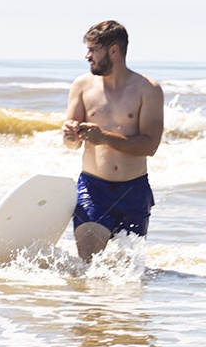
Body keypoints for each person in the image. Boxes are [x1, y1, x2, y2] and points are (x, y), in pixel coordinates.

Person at [62, 20, 165, 262]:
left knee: (128, 272)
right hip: (93, 189)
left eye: (93, 50)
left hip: (134, 190)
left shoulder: (147, 89)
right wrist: (69, 136)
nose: (88, 56)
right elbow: (72, 143)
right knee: (88, 264)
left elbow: (150, 146)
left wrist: (103, 137)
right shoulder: (82, 85)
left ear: (114, 51)